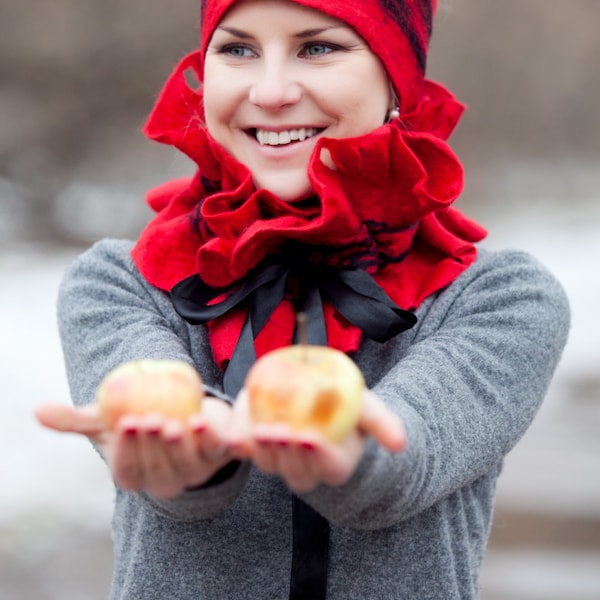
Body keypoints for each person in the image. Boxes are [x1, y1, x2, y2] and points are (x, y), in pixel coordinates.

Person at [36, 0, 570, 598]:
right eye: (237, 49)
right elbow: (163, 439)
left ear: (396, 77)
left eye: (318, 48)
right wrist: (189, 444)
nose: (269, 91)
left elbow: (409, 460)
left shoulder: (499, 299)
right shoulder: (120, 283)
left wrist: (351, 449)